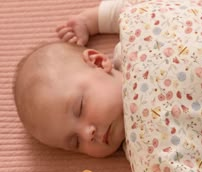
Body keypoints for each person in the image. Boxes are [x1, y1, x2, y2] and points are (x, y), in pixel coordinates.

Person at [14, 0, 125, 158]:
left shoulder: (131, 50)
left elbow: (140, 9)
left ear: (98, 63)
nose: (88, 134)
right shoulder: (141, 153)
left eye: (80, 108)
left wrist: (91, 21)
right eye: (76, 142)